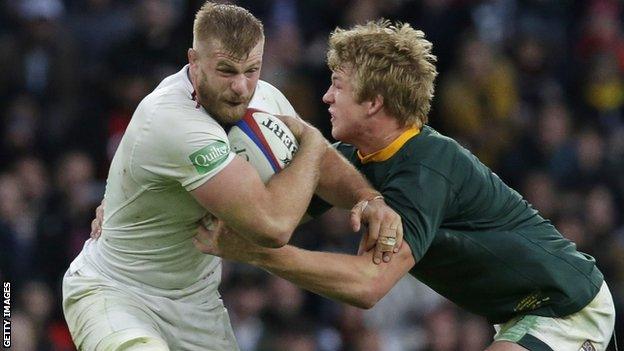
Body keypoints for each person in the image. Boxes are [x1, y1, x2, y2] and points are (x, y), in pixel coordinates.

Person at [193, 20, 616, 351]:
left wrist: (258, 253)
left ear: (374, 101)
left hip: (567, 305)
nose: (325, 98)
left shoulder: (427, 167)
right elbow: (276, 215)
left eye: (337, 85)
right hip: (520, 313)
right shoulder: (356, 160)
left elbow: (367, 285)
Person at [62, 3, 403, 351]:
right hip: (118, 293)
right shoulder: (174, 120)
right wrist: (312, 142)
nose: (241, 87)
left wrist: (368, 198)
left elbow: (324, 170)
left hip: (197, 304)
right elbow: (273, 226)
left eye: (252, 70)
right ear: (194, 61)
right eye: (226, 70)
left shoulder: (264, 98)